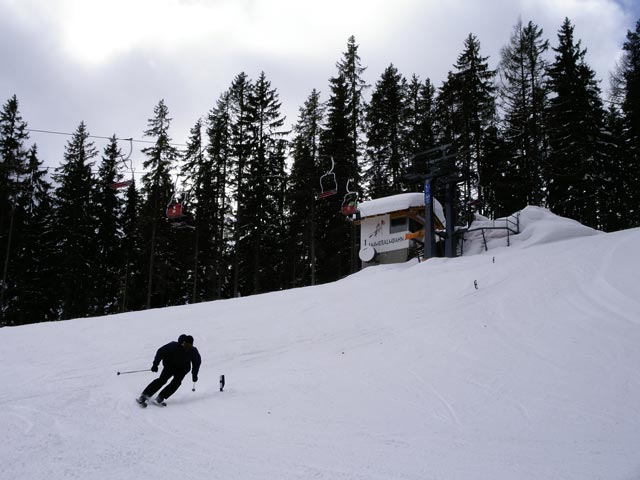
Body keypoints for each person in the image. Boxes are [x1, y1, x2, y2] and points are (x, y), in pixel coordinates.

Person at [137, 334, 201, 406]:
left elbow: (197, 363)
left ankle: (161, 397)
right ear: (183, 342)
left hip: (183, 369)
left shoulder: (193, 351)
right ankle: (145, 395)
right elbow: (160, 352)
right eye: (186, 344)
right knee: (162, 380)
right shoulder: (173, 346)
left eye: (190, 345)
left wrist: (194, 374)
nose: (187, 347)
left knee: (176, 383)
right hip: (170, 366)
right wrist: (155, 364)